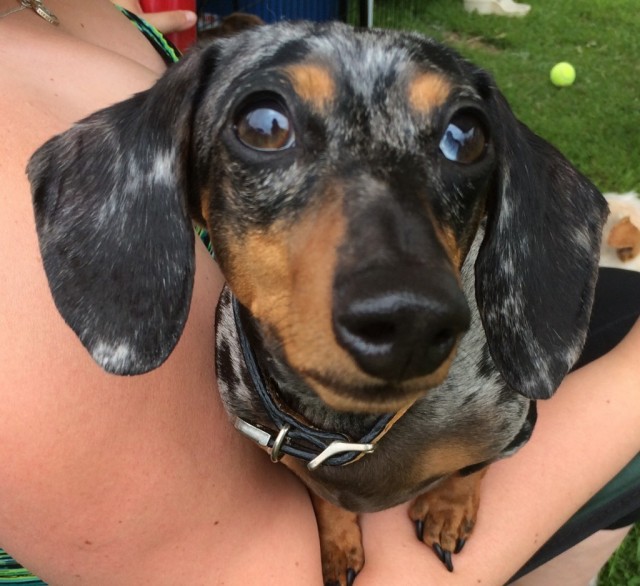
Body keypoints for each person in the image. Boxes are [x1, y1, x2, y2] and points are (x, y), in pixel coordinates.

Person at [0, 2, 638, 585]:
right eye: (267, 126)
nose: (404, 304)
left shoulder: (84, 10)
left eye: (458, 137)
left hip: (455, 411)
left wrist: (459, 486)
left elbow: (515, 393)